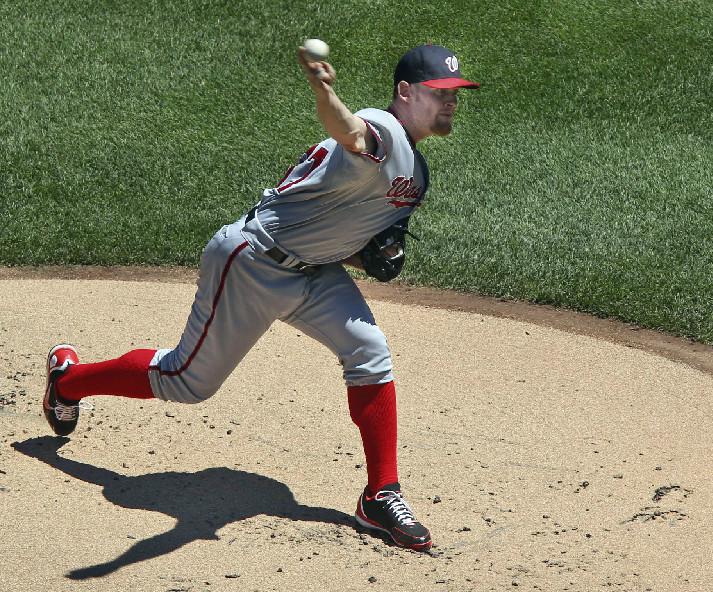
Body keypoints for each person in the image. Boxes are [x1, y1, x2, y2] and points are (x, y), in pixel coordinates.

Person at [42, 43, 479, 552]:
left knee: (370, 353)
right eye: (439, 92)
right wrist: (323, 90)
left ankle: (380, 494)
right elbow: (348, 131)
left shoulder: (417, 173)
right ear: (405, 92)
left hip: (316, 273)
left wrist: (371, 258)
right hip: (252, 262)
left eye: (455, 94)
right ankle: (68, 381)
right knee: (185, 382)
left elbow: (358, 235)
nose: (451, 102)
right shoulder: (379, 128)